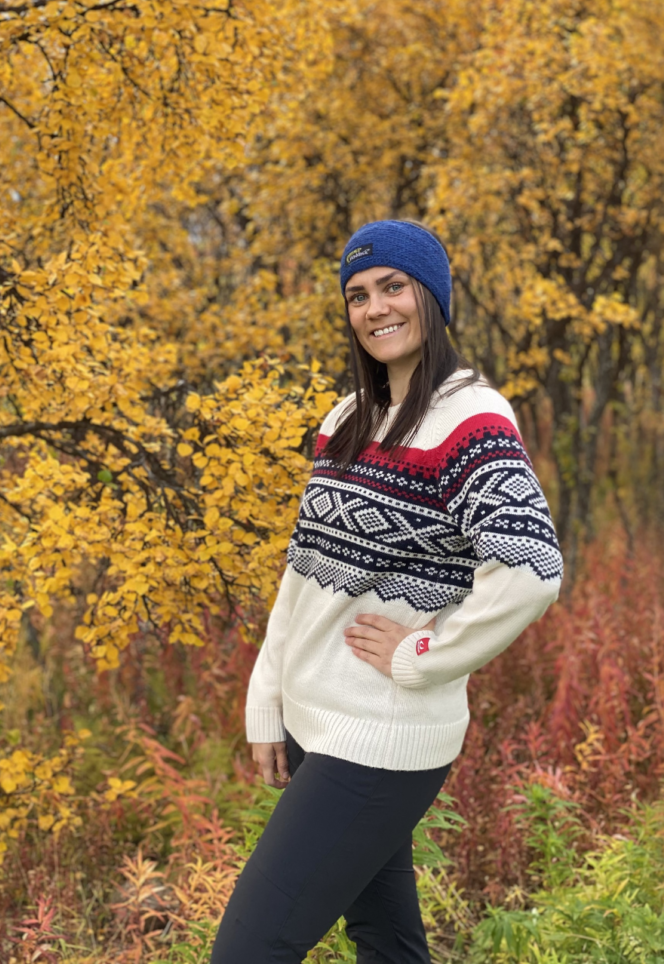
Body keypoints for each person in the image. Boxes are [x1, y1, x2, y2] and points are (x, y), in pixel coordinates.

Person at [211, 219, 563, 963]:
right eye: (358, 295)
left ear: (431, 295)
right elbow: (303, 569)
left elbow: (531, 568)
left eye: (393, 287)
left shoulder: (472, 420)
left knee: (247, 951)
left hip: (380, 734)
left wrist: (423, 655)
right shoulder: (347, 417)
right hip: (317, 722)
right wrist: (267, 694)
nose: (375, 308)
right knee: (388, 944)